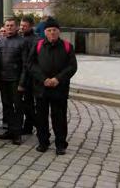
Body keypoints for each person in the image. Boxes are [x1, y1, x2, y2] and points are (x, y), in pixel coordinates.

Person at [29, 17, 77, 155]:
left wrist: (58, 79)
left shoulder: (67, 46)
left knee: (59, 118)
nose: (52, 33)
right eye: (49, 30)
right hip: (41, 87)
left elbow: (72, 66)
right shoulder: (38, 46)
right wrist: (43, 79)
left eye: (54, 30)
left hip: (59, 88)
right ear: (45, 32)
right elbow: (31, 64)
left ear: (59, 31)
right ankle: (43, 142)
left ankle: (60, 144)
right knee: (41, 117)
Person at [0, 18, 28, 145]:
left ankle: (17, 133)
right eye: (7, 25)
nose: (9, 27)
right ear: (4, 27)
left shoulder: (22, 42)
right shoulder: (1, 41)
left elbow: (25, 64)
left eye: (11, 25)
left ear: (16, 27)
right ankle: (9, 130)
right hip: (3, 79)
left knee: (18, 107)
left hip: (16, 80)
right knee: (6, 106)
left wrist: (22, 82)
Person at [20, 16, 40, 135]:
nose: (22, 28)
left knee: (30, 105)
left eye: (24, 26)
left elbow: (29, 61)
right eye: (21, 25)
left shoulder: (35, 40)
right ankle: (28, 126)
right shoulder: (22, 37)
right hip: (23, 75)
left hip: (31, 77)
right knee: (27, 104)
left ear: (31, 26)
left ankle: (38, 126)